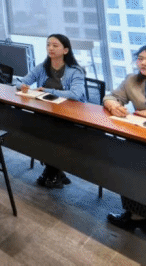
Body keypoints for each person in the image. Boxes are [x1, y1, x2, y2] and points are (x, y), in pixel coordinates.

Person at [19, 33, 86, 189]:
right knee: (38, 131)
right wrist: (24, 86)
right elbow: (22, 82)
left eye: (55, 45)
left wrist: (47, 90)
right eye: (48, 45)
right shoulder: (42, 67)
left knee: (51, 134)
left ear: (65, 50)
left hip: (70, 116)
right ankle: (55, 172)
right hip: (46, 113)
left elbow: (76, 94)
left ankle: (51, 171)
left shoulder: (75, 71)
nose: (50, 48)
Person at [103, 44, 146, 230]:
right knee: (127, 165)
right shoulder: (132, 80)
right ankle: (134, 214)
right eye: (140, 59)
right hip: (139, 136)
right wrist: (113, 105)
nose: (143, 63)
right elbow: (111, 96)